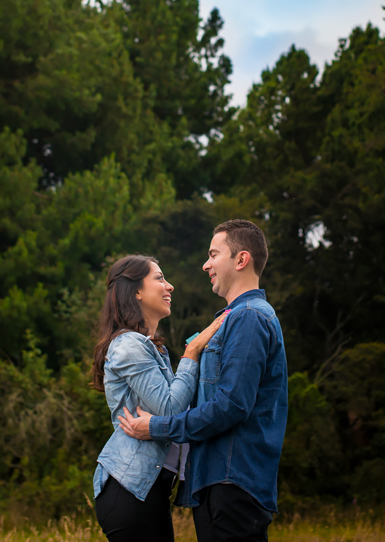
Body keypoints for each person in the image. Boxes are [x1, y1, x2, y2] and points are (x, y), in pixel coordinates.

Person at [118, 219, 288, 542]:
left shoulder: (249, 317)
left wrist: (156, 427)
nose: (205, 264)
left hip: (233, 482)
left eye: (213, 254)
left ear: (241, 260)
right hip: (217, 481)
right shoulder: (231, 319)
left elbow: (230, 406)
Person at [91, 254, 229, 542]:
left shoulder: (153, 350)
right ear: (136, 291)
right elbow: (170, 408)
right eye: (159, 278)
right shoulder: (129, 344)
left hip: (148, 491)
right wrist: (192, 354)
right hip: (129, 490)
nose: (170, 286)